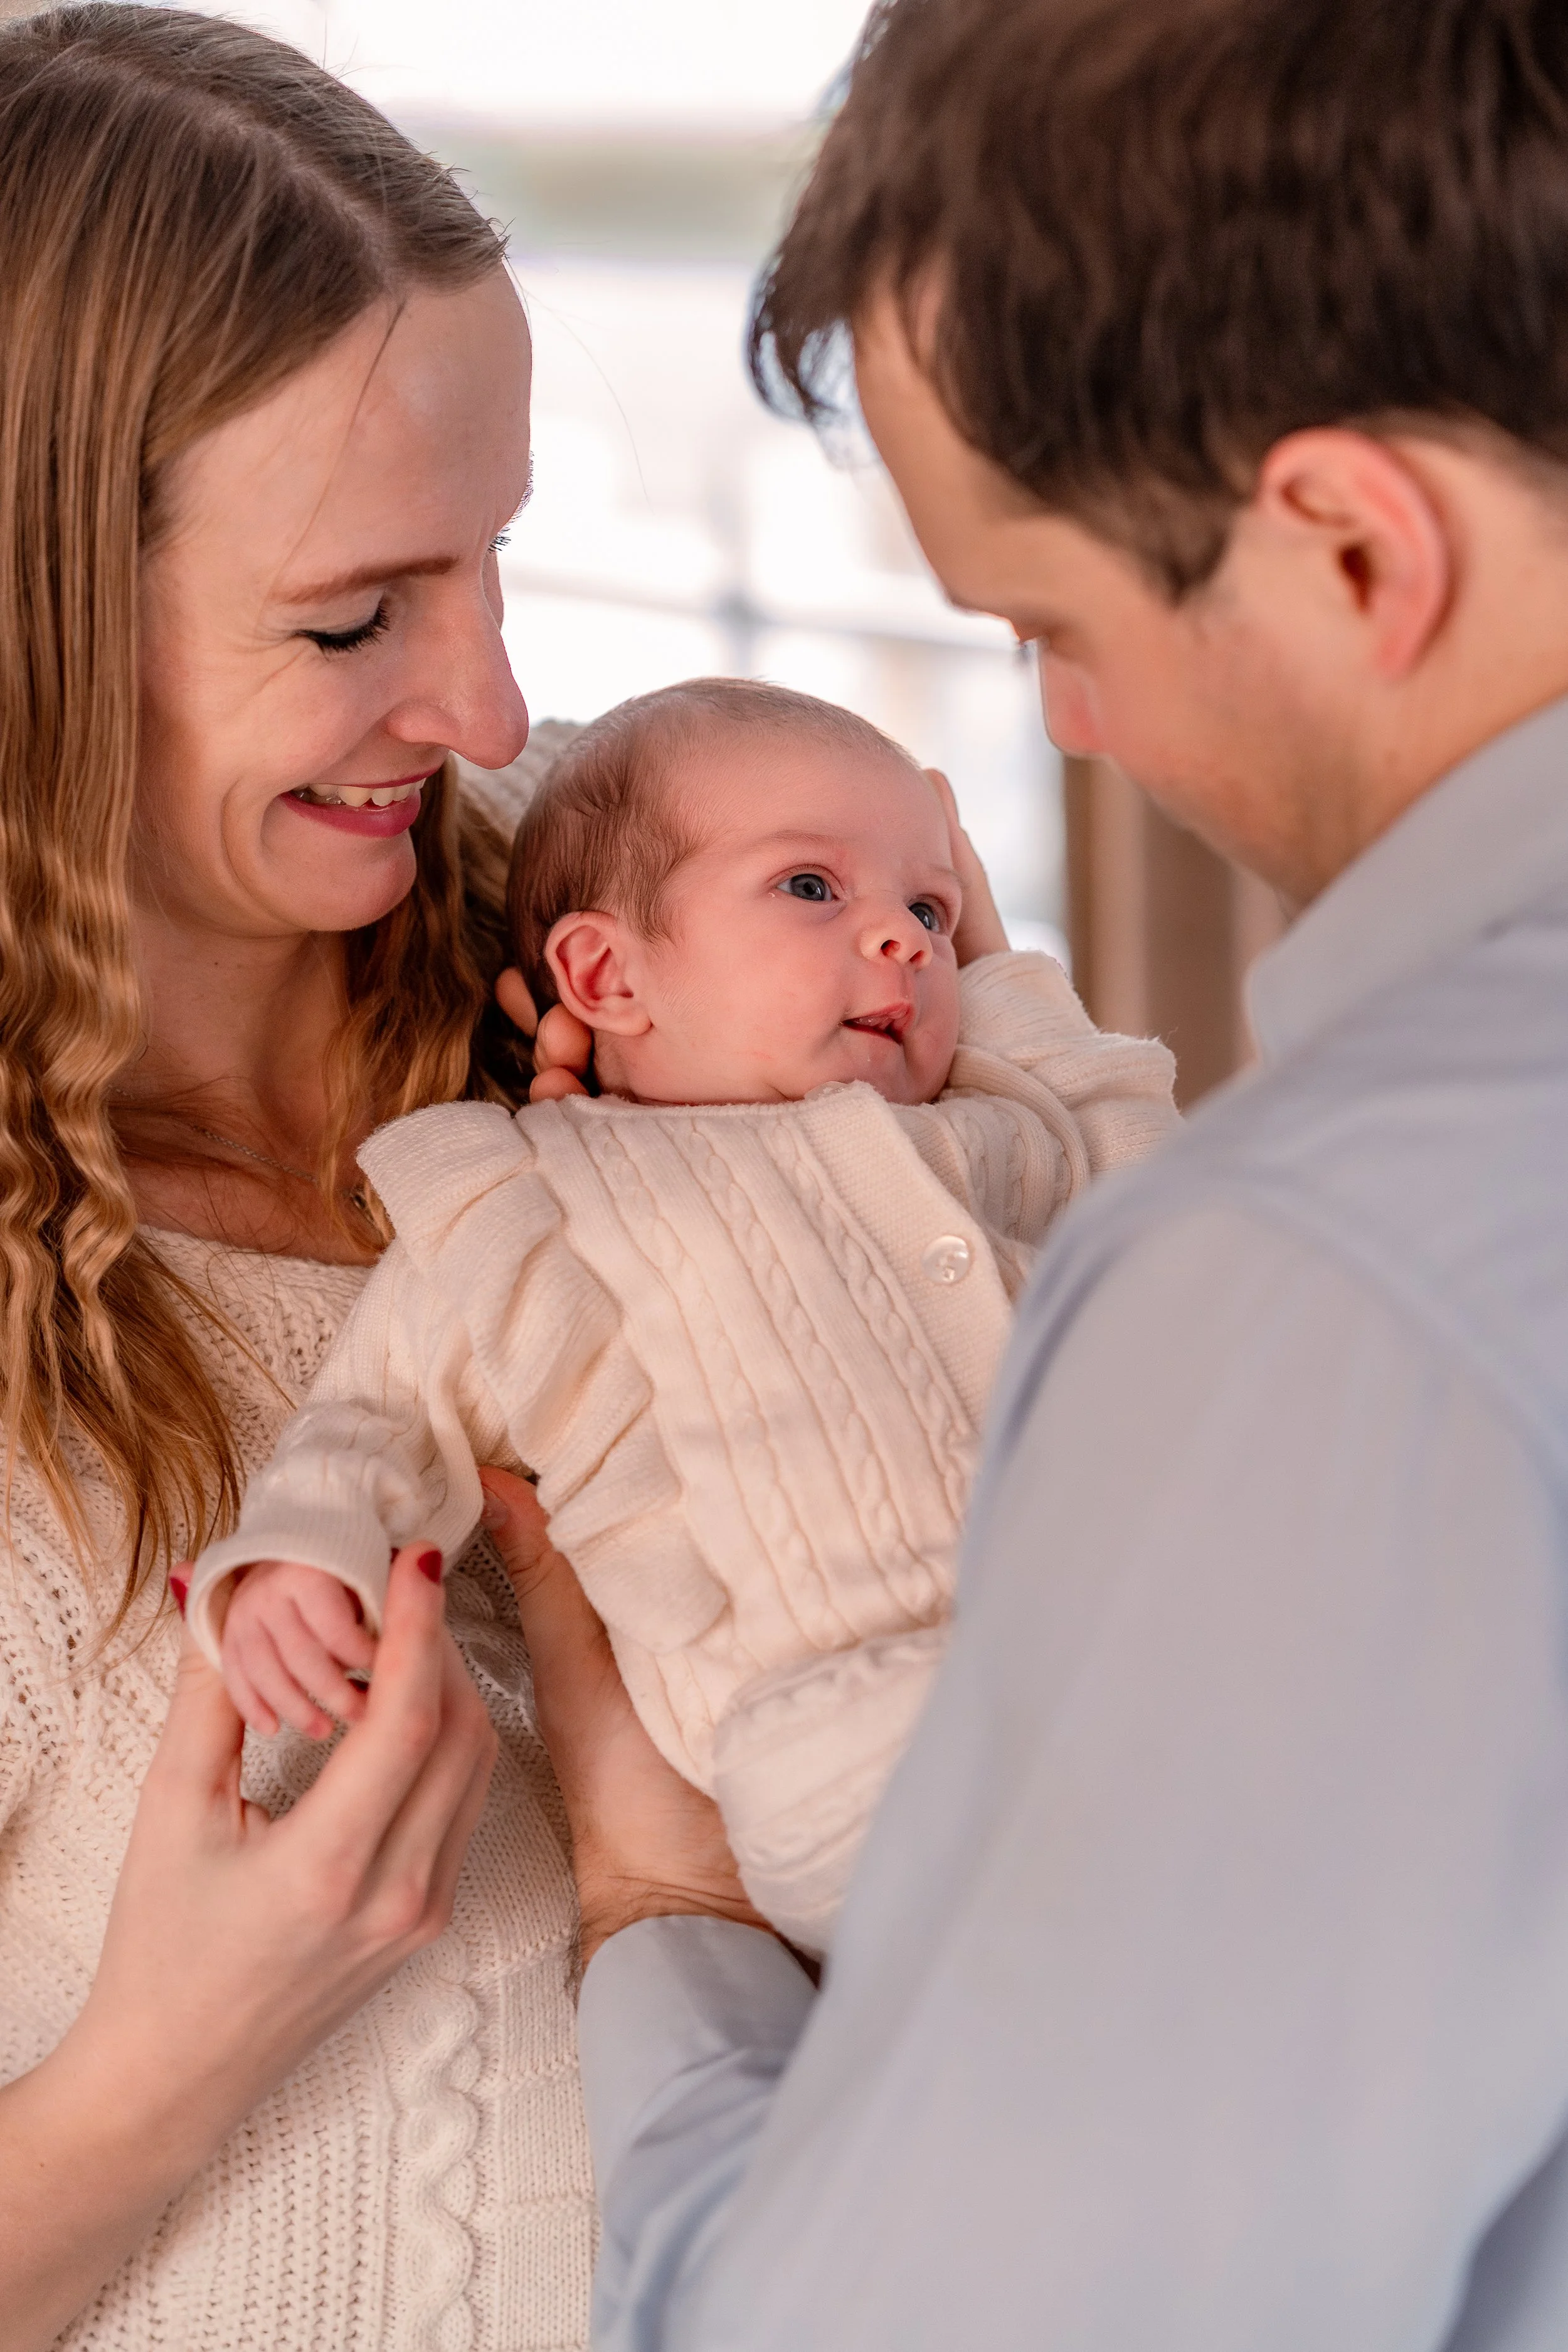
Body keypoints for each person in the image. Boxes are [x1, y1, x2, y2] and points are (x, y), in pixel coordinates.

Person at [474, 0, 1568, 2344]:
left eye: (1054, 634)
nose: (1059, 741)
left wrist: (655, 1908)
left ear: (1357, 551)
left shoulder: (1329, 1283)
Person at [0, 9, 597, 2346]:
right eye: (356, 619)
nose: (494, 709)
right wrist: (170, 2056)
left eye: (496, 562)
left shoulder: (633, 971)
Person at [179, 675, 1175, 1952]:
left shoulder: (993, 1128)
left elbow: (1167, 1212)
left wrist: (1008, 985)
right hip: (828, 1724)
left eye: (927, 908)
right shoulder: (539, 1200)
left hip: (1140, 1639)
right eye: (813, 888)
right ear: (605, 970)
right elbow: (382, 1406)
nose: (907, 940)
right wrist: (303, 1556)